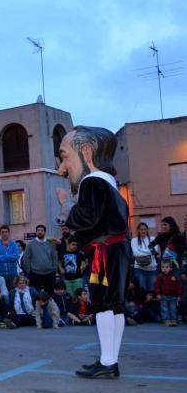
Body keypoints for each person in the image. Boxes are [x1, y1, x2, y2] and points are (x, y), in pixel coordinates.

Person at [56, 126, 132, 378]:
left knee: (103, 304)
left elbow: (85, 218)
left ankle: (108, 361)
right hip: (117, 249)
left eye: (65, 157)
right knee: (115, 305)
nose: (62, 168)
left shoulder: (91, 183)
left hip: (105, 251)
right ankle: (110, 359)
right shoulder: (111, 186)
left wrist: (66, 203)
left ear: (86, 152)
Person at [21, 225, 57, 294]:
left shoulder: (50, 244)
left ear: (45, 232)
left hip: (49, 273)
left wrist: (54, 270)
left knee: (49, 294)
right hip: (35, 274)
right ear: (36, 232)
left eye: (42, 230)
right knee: (35, 294)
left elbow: (54, 257)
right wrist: (28, 270)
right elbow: (26, 258)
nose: (40, 232)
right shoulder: (30, 244)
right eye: (38, 230)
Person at [131, 222, 157, 292]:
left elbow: (154, 251)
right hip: (139, 269)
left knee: (152, 290)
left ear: (147, 230)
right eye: (141, 229)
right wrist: (148, 251)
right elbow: (135, 253)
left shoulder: (153, 239)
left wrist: (140, 250)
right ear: (138, 230)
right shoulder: (134, 240)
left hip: (152, 269)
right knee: (142, 291)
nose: (143, 231)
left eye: (145, 229)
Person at [155, 260, 181, 326]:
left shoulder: (174, 277)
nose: (164, 269)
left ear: (171, 268)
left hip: (173, 296)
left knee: (173, 309)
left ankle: (173, 320)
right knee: (164, 309)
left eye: (167, 267)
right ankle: (166, 320)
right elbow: (157, 286)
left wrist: (179, 295)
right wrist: (158, 294)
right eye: (163, 267)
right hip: (163, 296)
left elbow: (178, 286)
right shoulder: (160, 277)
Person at [0, 226, 20, 290]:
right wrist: (10, 256)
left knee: (13, 293)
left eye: (6, 232)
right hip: (0, 274)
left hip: (13, 273)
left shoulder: (14, 244)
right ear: (0, 233)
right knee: (2, 294)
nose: (4, 234)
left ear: (9, 233)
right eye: (2, 232)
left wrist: (3, 256)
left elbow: (16, 256)